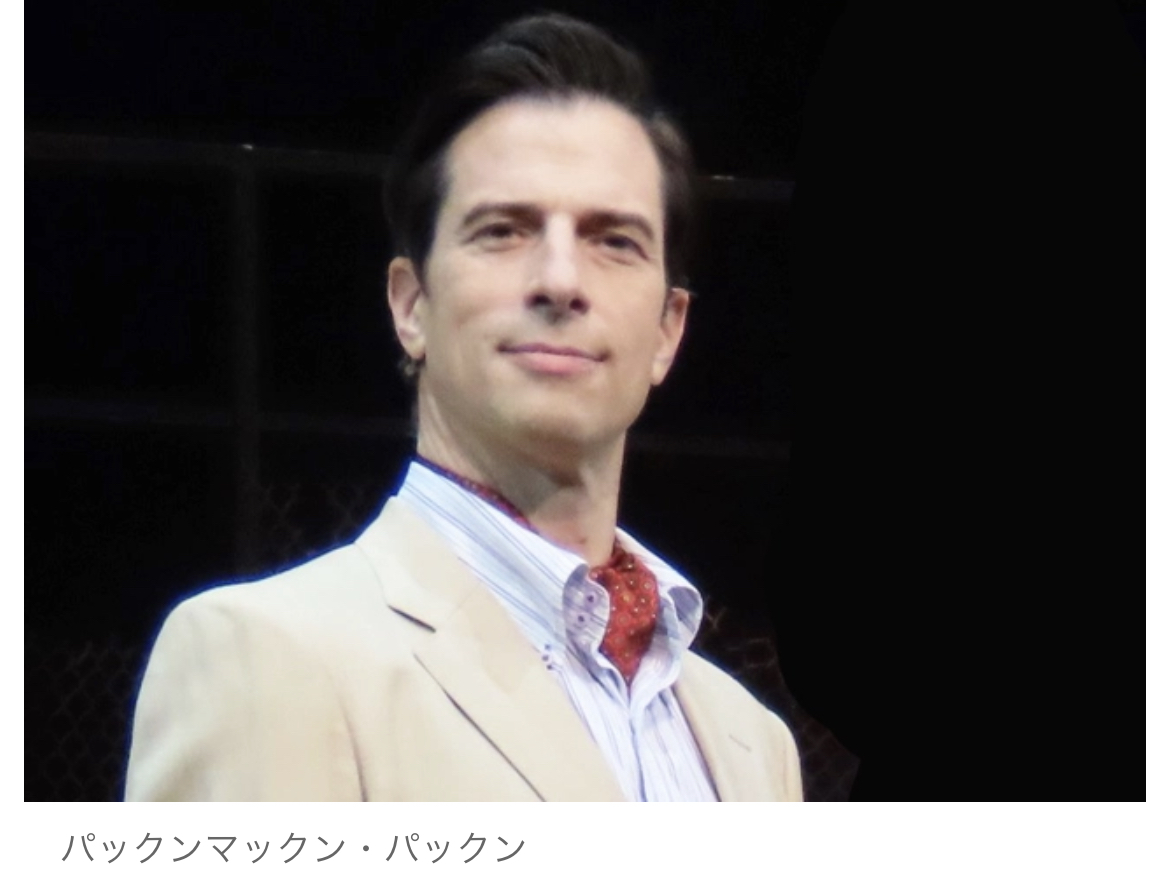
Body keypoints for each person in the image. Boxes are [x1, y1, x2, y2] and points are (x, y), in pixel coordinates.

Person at [124, 12, 801, 802]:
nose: (561, 280)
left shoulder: (755, 746)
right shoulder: (264, 657)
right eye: (504, 230)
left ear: (667, 330)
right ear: (411, 304)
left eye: (615, 240)